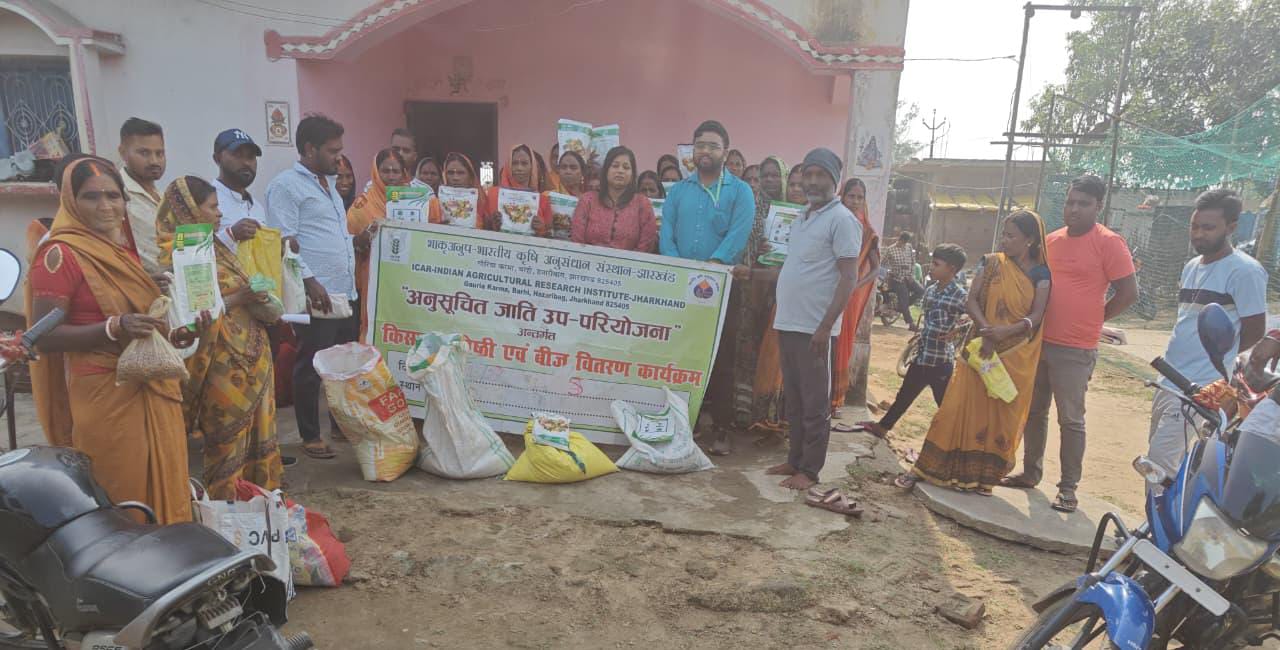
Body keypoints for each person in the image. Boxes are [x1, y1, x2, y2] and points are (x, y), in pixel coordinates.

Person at [27, 157, 204, 524]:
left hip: (150, 383)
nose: (106, 206)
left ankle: (168, 566)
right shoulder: (60, 254)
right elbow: (42, 337)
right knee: (122, 489)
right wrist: (111, 328)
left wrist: (175, 336)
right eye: (91, 197)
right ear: (71, 201)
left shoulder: (120, 252)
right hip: (105, 392)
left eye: (113, 196)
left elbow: (138, 320)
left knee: (166, 478)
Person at [1002, 175, 1138, 513]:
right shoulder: (1051, 241)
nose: (1074, 209)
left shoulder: (1109, 243)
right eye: (1070, 201)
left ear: (1098, 206)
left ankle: (1067, 489)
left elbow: (1129, 293)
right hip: (1039, 341)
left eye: (1083, 203)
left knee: (1071, 419)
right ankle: (1030, 472)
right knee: (1034, 412)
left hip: (1076, 349)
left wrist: (1095, 318)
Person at [902, 210, 1051, 494]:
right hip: (982, 349)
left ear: (1030, 240)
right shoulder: (991, 263)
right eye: (1003, 234)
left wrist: (1006, 332)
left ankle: (982, 479)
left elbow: (1037, 315)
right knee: (956, 409)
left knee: (1000, 417)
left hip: (1015, 354)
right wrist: (986, 329)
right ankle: (932, 467)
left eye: (1012, 236)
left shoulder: (1042, 274)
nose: (1004, 241)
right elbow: (972, 301)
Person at [156, 176, 283, 500]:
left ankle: (261, 511)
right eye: (212, 207)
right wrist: (238, 298)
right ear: (188, 212)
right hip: (220, 370)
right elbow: (187, 318)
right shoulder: (176, 260)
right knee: (226, 444)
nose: (218, 214)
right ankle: (227, 515)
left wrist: (260, 298)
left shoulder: (219, 250)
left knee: (259, 439)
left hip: (254, 361)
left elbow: (260, 301)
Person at [1146, 189, 1267, 476]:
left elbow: (1255, 332)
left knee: (1159, 462)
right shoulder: (1190, 267)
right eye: (1194, 226)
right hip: (1170, 379)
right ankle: (1159, 520)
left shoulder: (1245, 271)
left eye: (1208, 228)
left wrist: (1228, 383)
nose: (1198, 234)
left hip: (1202, 388)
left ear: (1231, 227)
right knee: (1163, 464)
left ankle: (1162, 522)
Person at [763, 149, 861, 490]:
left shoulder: (843, 219)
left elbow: (848, 277)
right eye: (810, 174)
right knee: (794, 396)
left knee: (816, 402)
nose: (814, 181)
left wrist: (824, 327)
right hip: (790, 323)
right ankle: (795, 459)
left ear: (835, 181)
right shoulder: (803, 217)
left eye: (822, 175)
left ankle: (811, 469)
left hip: (815, 330)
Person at [265, 114, 357, 460]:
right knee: (311, 365)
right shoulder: (286, 186)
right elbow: (283, 240)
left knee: (341, 363)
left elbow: (332, 233)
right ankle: (309, 435)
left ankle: (339, 426)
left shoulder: (328, 184)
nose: (339, 157)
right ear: (309, 148)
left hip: (343, 290)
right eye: (333, 151)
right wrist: (309, 280)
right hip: (317, 292)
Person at [659, 121, 756, 451]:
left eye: (713, 146)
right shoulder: (679, 191)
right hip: (681, 288)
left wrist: (712, 268)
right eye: (700, 145)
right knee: (683, 355)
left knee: (721, 358)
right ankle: (689, 423)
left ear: (725, 153)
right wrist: (678, 267)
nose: (705, 151)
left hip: (722, 289)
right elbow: (666, 231)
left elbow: (738, 235)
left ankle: (722, 430)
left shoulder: (740, 191)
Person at [859, 244, 968, 438]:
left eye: (936, 264)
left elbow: (971, 318)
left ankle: (957, 439)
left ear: (951, 269)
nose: (931, 267)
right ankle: (883, 427)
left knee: (945, 404)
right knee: (905, 395)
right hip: (923, 354)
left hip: (941, 360)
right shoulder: (931, 290)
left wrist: (958, 330)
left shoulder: (959, 295)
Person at [830, 177, 881, 415]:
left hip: (849, 297)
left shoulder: (867, 231)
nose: (855, 201)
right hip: (825, 289)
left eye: (860, 197)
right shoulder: (831, 221)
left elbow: (876, 268)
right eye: (851, 196)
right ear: (842, 196)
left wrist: (856, 285)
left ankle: (835, 400)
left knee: (841, 342)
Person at [347, 149, 407, 340]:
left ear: (403, 172)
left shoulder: (414, 201)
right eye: (385, 171)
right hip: (373, 278)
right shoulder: (362, 205)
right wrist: (361, 242)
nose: (391, 176)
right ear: (376, 172)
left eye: (396, 171)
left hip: (405, 278)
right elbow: (347, 242)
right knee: (374, 326)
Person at [567, 146, 657, 252]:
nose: (620, 171)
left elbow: (646, 244)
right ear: (606, 170)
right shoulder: (588, 200)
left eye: (626, 167)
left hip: (629, 266)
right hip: (587, 264)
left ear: (632, 174)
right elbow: (577, 240)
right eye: (615, 166)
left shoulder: (642, 204)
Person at [117, 117, 166, 274]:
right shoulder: (117, 195)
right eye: (144, 153)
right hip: (141, 287)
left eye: (159, 153)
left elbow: (177, 241)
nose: (154, 161)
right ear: (123, 153)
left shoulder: (165, 196)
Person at [211, 129, 267, 251]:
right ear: (217, 158)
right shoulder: (203, 200)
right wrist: (230, 235)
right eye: (237, 155)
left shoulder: (257, 207)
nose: (246, 163)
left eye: (251, 157)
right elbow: (188, 253)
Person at [485, 144, 541, 230]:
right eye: (514, 163)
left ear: (532, 166)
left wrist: (540, 228)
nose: (519, 168)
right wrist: (491, 223)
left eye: (524, 163)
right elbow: (483, 226)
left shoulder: (541, 200)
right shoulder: (492, 194)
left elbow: (547, 233)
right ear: (508, 166)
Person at [428, 152, 490, 228]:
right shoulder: (434, 204)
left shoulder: (482, 205)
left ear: (470, 177)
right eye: (450, 173)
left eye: (461, 173)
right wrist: (438, 229)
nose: (455, 178)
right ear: (444, 176)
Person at [534, 150, 587, 236]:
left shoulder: (588, 201)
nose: (568, 171)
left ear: (582, 172)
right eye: (564, 167)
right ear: (558, 171)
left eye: (573, 168)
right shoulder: (546, 196)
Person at [883, 232, 924, 330]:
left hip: (908, 277)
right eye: (902, 242)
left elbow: (913, 262)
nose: (903, 244)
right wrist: (891, 271)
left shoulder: (909, 247)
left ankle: (901, 306)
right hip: (896, 279)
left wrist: (911, 275)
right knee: (904, 297)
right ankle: (911, 324)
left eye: (905, 242)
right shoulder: (890, 250)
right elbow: (883, 263)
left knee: (921, 291)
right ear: (899, 239)